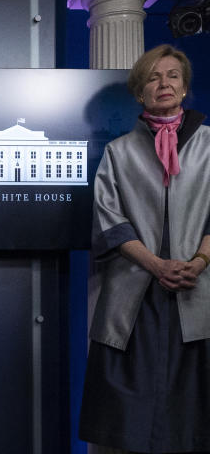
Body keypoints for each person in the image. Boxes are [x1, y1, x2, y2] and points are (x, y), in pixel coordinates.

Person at [79, 45, 210, 452]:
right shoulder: (119, 152)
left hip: (197, 293)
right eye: (153, 77)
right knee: (128, 425)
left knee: (194, 421)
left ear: (185, 88)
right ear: (140, 92)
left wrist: (199, 262)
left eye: (172, 75)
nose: (164, 84)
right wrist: (156, 265)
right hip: (136, 297)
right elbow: (108, 220)